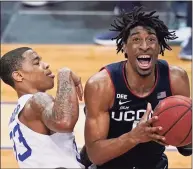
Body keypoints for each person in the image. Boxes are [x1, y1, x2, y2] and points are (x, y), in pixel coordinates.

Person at [83, 6, 192, 169]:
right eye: (136, 40)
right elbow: (95, 155)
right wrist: (134, 137)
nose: (144, 46)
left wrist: (185, 133)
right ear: (125, 48)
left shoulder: (176, 79)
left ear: (159, 47)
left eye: (151, 40)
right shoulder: (101, 85)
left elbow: (186, 149)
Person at [0, 47, 85, 168]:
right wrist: (65, 74)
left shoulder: (16, 116)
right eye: (36, 62)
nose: (46, 65)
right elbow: (64, 122)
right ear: (18, 75)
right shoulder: (37, 100)